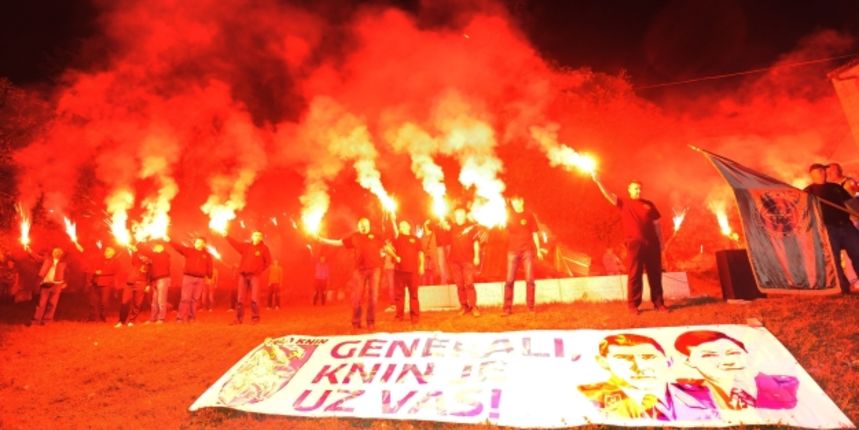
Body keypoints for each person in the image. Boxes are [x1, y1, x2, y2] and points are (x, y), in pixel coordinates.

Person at [578, 333, 719, 421]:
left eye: (648, 357)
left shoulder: (704, 393)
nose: (639, 367)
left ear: (668, 361)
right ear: (603, 362)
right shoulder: (587, 398)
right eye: (623, 358)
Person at [593, 174, 667, 314]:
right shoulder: (624, 202)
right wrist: (598, 181)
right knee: (634, 274)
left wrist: (662, 245)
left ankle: (659, 303)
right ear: (629, 190)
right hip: (634, 244)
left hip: (652, 244)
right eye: (634, 189)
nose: (637, 191)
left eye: (639, 189)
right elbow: (608, 195)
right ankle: (633, 305)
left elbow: (657, 226)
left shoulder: (649, 204)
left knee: (655, 275)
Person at [674, 330, 798, 410]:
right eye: (709, 355)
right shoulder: (683, 395)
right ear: (688, 361)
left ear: (746, 353)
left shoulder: (785, 385)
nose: (728, 362)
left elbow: (789, 404)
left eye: (734, 353)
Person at [316, 217, 394, 330]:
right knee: (356, 297)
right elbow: (339, 243)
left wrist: (395, 256)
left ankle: (370, 322)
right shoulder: (354, 237)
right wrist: (323, 240)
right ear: (358, 226)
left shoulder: (376, 235)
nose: (364, 226)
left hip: (374, 270)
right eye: (361, 224)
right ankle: (356, 322)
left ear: (369, 225)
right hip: (359, 270)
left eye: (366, 224)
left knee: (373, 297)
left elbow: (386, 247)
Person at [804, 163, 859, 294]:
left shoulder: (835, 187)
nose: (823, 172)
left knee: (858, 252)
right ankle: (843, 288)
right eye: (819, 170)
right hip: (827, 228)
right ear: (812, 174)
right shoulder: (808, 192)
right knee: (834, 259)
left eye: (824, 170)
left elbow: (851, 203)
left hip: (845, 225)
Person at [503, 196, 546, 315]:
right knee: (509, 280)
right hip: (512, 251)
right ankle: (507, 308)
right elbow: (503, 228)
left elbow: (534, 233)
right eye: (512, 202)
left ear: (522, 201)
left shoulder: (528, 215)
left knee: (530, 279)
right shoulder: (508, 216)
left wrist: (538, 249)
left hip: (527, 251)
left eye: (516, 201)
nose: (514, 204)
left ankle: (530, 307)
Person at [226, 231, 272, 324]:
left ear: (261, 238)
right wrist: (226, 236)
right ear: (252, 236)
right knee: (240, 299)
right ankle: (238, 319)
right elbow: (235, 244)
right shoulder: (246, 246)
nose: (257, 237)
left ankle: (255, 318)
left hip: (255, 276)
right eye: (255, 235)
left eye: (259, 235)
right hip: (243, 275)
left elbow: (268, 262)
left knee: (254, 298)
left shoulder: (264, 249)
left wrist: (258, 270)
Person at [171, 237, 214, 323]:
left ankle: (192, 318)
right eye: (196, 242)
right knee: (185, 298)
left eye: (200, 242)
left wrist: (209, 277)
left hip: (200, 279)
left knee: (195, 299)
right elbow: (178, 247)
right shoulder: (189, 251)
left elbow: (210, 267)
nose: (198, 243)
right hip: (188, 278)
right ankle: (180, 318)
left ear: (204, 244)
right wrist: (169, 240)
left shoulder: (207, 255)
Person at [448, 208, 481, 317]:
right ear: (455, 216)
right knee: (459, 285)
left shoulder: (471, 227)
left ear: (465, 215)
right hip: (454, 261)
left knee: (469, 284)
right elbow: (443, 228)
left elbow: (476, 242)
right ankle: (464, 306)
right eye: (457, 215)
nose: (459, 217)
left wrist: (476, 256)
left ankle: (473, 307)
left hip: (468, 260)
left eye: (461, 215)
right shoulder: (451, 227)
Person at [391, 220, 424, 323]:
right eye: (400, 226)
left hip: (413, 270)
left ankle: (414, 316)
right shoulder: (397, 238)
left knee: (413, 294)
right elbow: (389, 248)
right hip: (399, 271)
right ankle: (399, 316)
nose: (403, 226)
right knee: (399, 295)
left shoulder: (415, 239)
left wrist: (421, 265)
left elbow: (421, 253)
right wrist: (392, 220)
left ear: (409, 226)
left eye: (405, 225)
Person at [29, 247, 70, 326]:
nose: (56, 253)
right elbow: (37, 257)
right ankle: (36, 321)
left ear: (61, 254)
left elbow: (67, 273)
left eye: (58, 252)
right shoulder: (47, 260)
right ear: (53, 253)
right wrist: (30, 250)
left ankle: (47, 321)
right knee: (41, 303)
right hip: (46, 284)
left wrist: (65, 283)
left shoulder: (63, 263)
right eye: (55, 252)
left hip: (57, 285)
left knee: (52, 304)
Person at [136, 242, 171, 324]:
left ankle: (161, 318)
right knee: (154, 301)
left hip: (162, 279)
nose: (154, 249)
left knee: (161, 300)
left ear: (161, 247)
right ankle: (152, 318)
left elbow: (146, 251)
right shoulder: (154, 258)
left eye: (156, 247)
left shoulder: (164, 255)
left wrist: (140, 244)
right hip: (154, 280)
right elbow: (150, 270)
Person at [116, 250, 150, 327]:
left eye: (144, 256)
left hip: (141, 284)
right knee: (124, 302)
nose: (143, 257)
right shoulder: (136, 262)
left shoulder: (150, 265)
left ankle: (132, 320)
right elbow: (134, 257)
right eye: (141, 256)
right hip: (129, 283)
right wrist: (134, 251)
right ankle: (121, 321)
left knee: (137, 304)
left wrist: (148, 285)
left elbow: (150, 275)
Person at [88, 246, 121, 322]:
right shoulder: (100, 260)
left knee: (104, 302)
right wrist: (94, 272)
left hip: (106, 284)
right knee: (93, 302)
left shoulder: (115, 261)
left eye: (108, 251)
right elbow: (93, 268)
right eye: (106, 250)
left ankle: (103, 318)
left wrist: (102, 272)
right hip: (95, 283)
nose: (106, 252)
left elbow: (114, 271)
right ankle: (94, 318)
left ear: (113, 253)